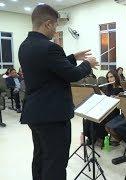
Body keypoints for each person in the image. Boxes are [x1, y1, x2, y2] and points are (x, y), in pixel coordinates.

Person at [18, 4, 98, 180]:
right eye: (55, 25)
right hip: (53, 115)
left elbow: (48, 67)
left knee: (40, 157)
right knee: (55, 162)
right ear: (47, 24)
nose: (55, 30)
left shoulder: (25, 46)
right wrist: (87, 64)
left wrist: (72, 57)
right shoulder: (50, 47)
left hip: (35, 113)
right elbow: (72, 74)